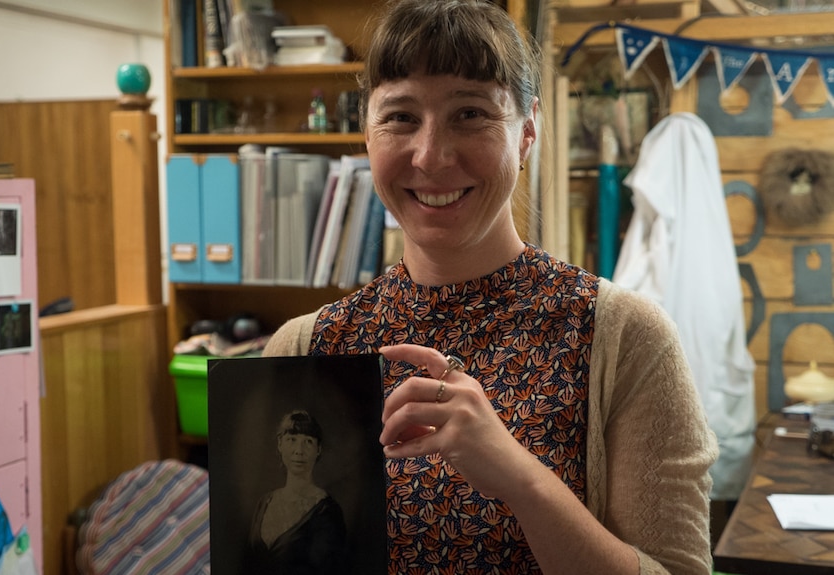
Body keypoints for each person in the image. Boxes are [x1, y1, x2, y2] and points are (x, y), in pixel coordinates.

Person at [262, 0, 719, 573]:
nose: (430, 156)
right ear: (366, 134)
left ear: (527, 133)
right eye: (401, 117)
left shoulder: (625, 339)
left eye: (470, 114)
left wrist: (520, 477)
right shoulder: (302, 349)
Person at [246, 410, 347, 574]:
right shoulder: (264, 502)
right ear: (280, 444)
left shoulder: (327, 512)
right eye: (291, 440)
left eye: (308, 441)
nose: (299, 450)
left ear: (318, 449)